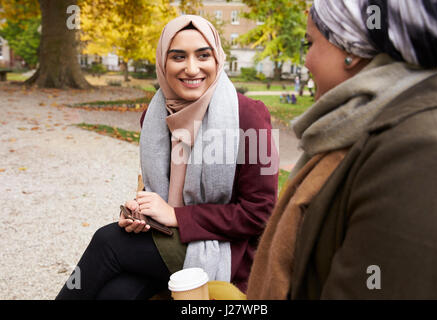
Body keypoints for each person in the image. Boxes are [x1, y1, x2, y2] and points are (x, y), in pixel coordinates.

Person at [56, 15, 278, 300]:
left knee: (108, 241)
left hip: (226, 249)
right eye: (178, 57)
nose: (191, 68)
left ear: (217, 59)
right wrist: (139, 212)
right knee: (117, 293)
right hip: (169, 238)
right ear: (163, 62)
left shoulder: (249, 116)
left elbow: (261, 213)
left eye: (203, 55)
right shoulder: (155, 115)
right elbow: (161, 193)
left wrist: (176, 216)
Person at [247, 0, 437, 299]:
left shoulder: (420, 150)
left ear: (352, 50)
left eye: (310, 43)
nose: (306, 61)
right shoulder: (366, 125)